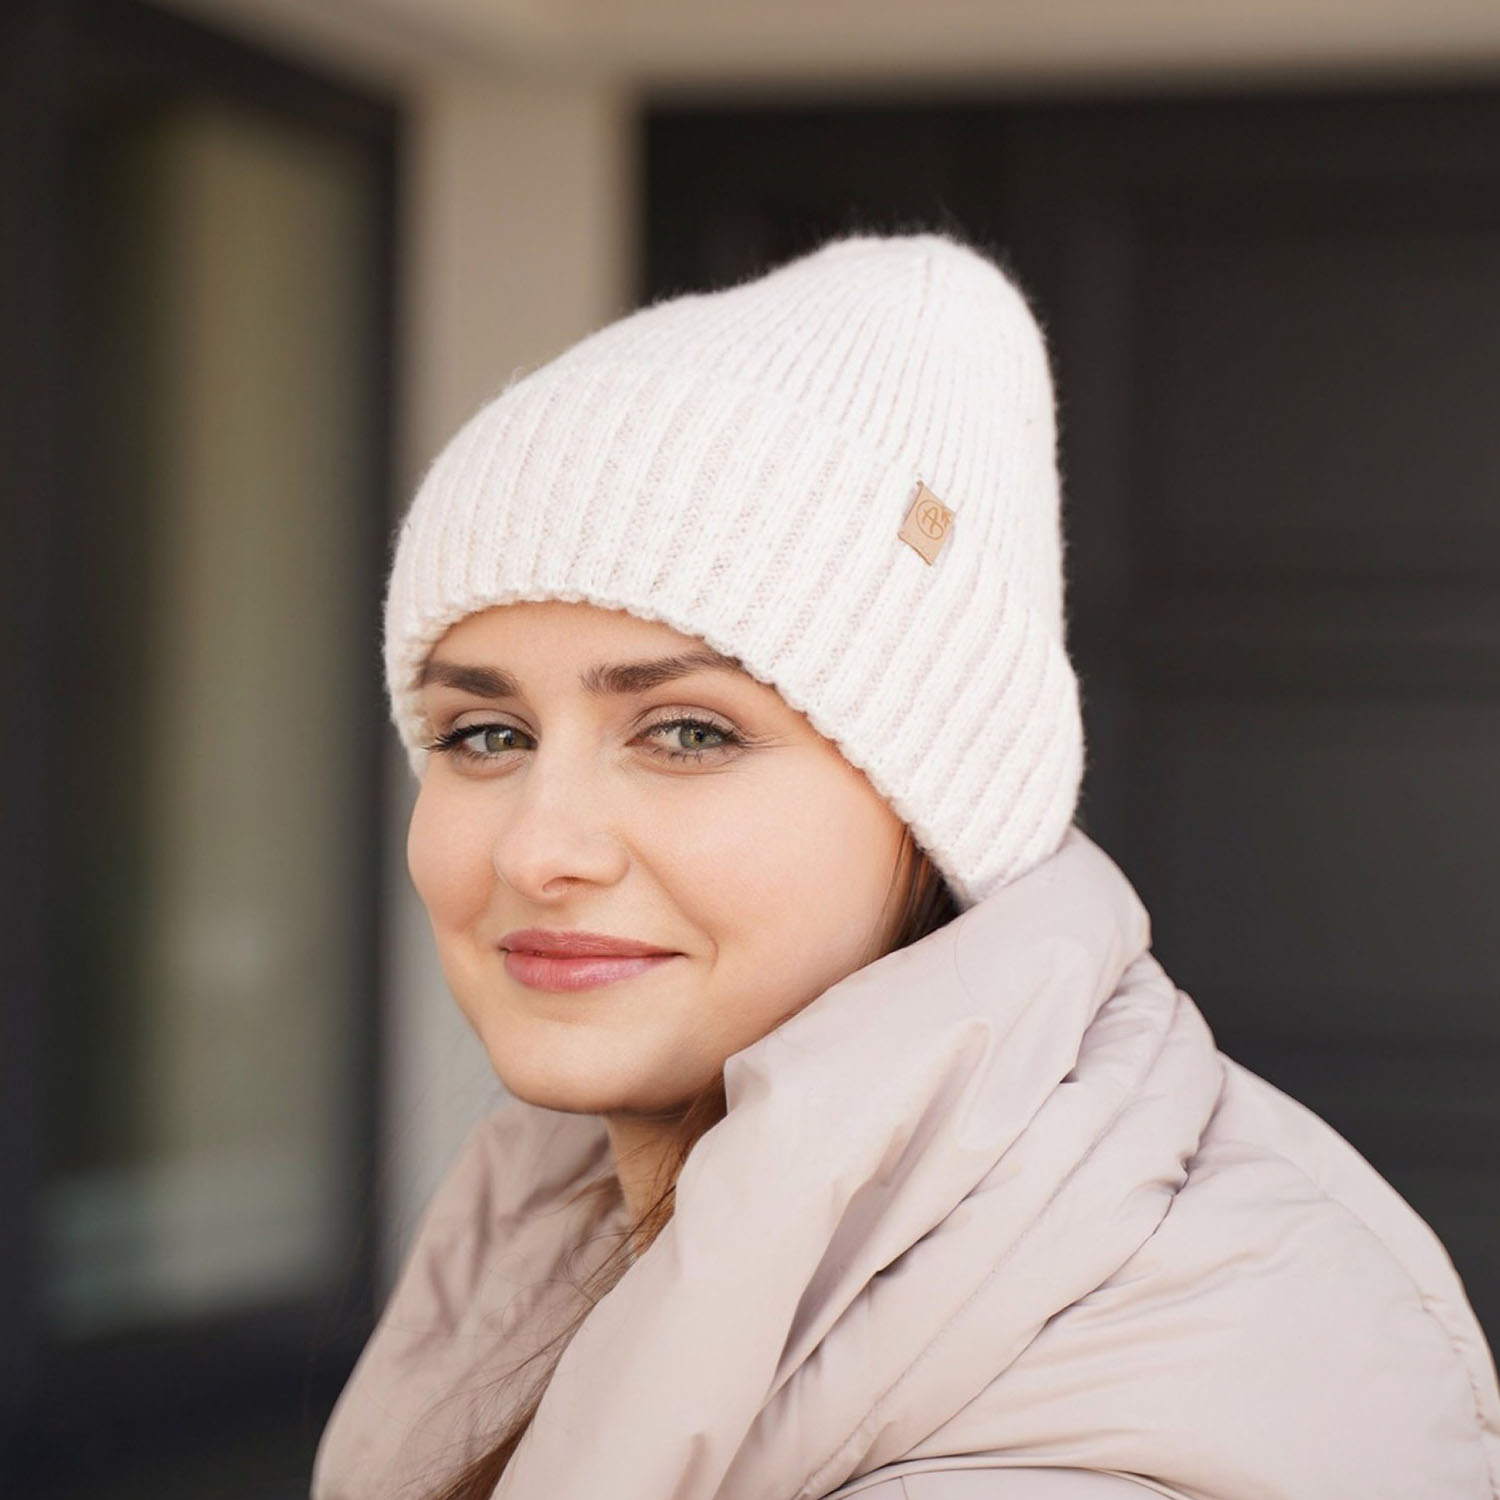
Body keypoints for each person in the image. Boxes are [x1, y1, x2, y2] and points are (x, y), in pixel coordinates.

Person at [311, 233, 1500, 1500]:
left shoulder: (1187, 1362)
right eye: (484, 734)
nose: (540, 849)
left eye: (689, 734)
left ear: (935, 798)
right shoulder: (555, 1200)